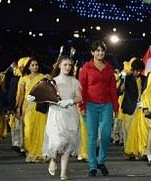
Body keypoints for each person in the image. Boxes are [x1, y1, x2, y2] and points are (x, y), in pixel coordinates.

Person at [79, 40, 118, 177]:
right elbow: (82, 89)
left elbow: (113, 89)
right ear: (92, 52)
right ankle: (92, 166)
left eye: (102, 51)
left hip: (106, 105)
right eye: (97, 51)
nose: (100, 53)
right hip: (90, 105)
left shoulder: (109, 68)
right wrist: (82, 105)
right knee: (92, 136)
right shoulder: (86, 68)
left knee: (107, 135)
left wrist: (116, 107)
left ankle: (101, 160)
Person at [44, 56, 82, 181]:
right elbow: (46, 96)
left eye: (70, 65)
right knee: (57, 141)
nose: (68, 67)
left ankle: (63, 172)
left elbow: (79, 97)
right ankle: (53, 159)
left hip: (70, 114)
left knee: (68, 143)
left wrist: (70, 101)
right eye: (65, 64)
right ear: (59, 65)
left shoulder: (74, 81)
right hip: (56, 114)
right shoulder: (52, 81)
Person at [17, 58, 48, 162]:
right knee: (29, 130)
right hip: (28, 108)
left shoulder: (42, 77)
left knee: (41, 130)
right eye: (33, 65)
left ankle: (41, 154)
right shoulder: (23, 79)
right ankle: (30, 153)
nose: (35, 67)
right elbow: (21, 94)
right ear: (28, 67)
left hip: (39, 107)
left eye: (36, 65)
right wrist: (18, 107)